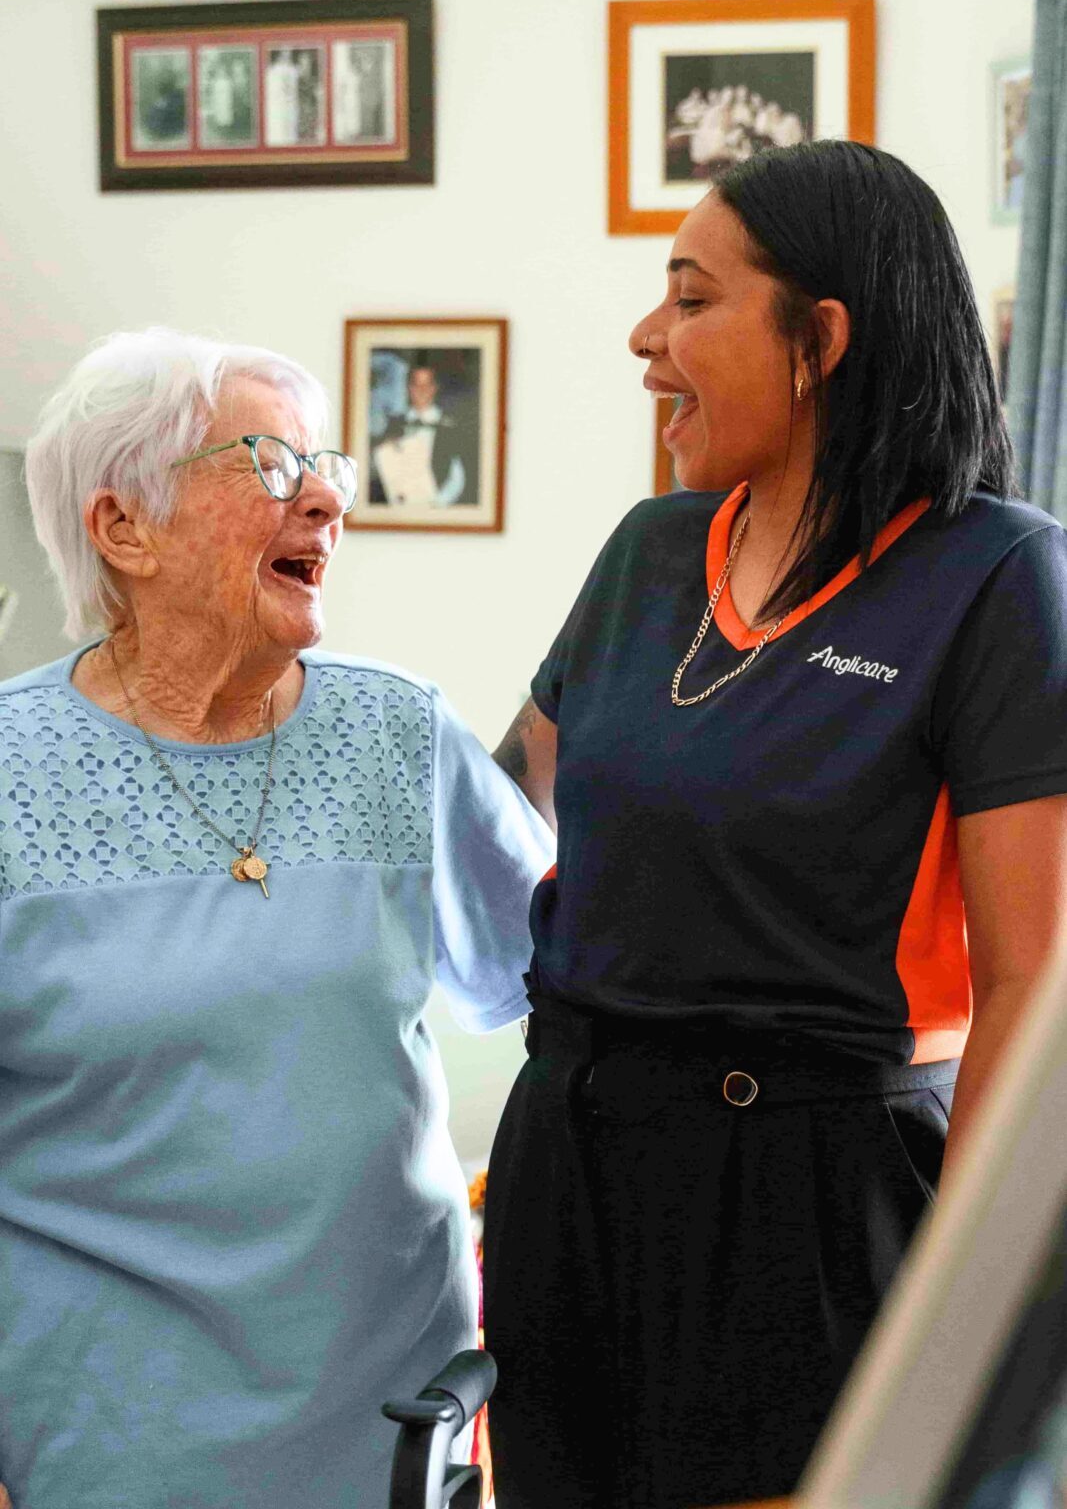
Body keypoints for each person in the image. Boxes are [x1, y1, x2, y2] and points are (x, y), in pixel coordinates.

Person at [483, 140, 1067, 1509]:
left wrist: (953, 1316)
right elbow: (496, 815)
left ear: (818, 338)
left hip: (805, 1197)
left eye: (689, 298)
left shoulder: (996, 581)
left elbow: (1027, 991)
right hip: (567, 1158)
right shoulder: (644, 554)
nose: (645, 338)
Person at [0, 328, 553, 1508]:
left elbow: (553, 978)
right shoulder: (10, 770)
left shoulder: (399, 737)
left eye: (327, 468)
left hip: (393, 1431)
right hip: (102, 1441)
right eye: (265, 463)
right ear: (122, 528)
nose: (323, 501)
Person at [371, 360, 479, 508]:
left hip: (439, 511)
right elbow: (379, 469)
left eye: (427, 384)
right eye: (416, 384)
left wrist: (437, 504)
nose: (421, 390)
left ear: (435, 388)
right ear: (409, 388)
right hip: (399, 513)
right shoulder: (393, 425)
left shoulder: (451, 427)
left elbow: (458, 476)